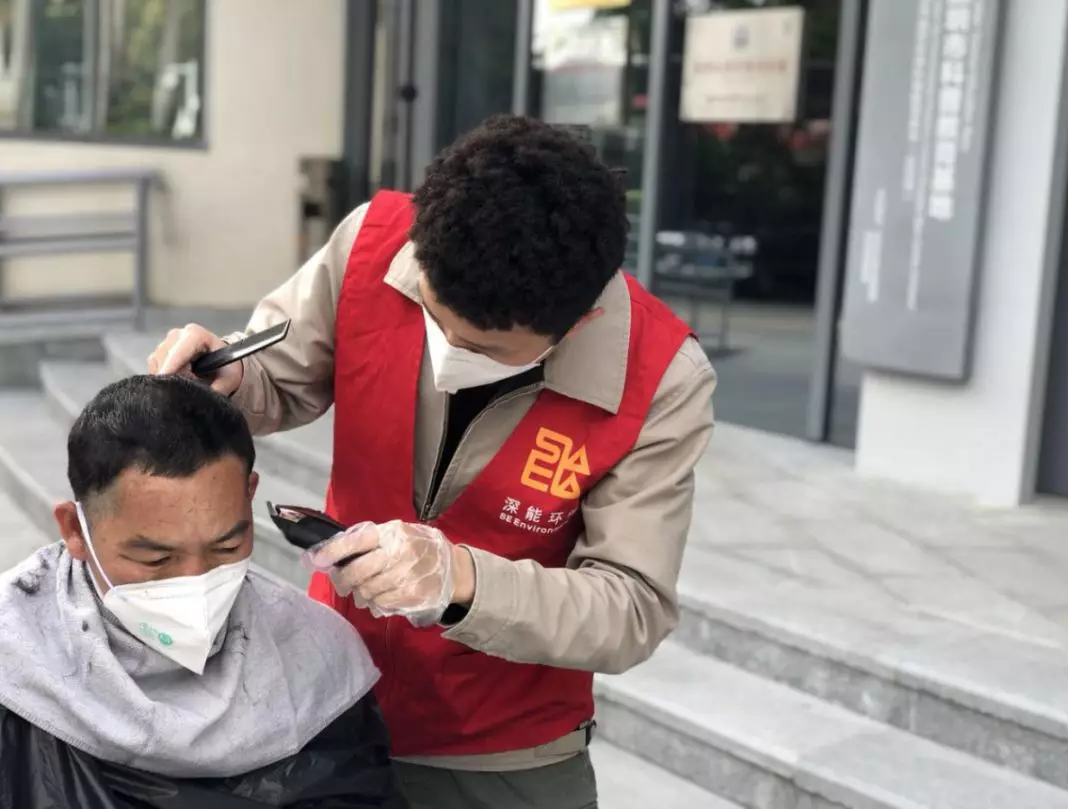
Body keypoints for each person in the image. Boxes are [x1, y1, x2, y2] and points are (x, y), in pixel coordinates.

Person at [149, 114, 717, 809]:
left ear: (581, 321)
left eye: (479, 346)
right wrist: (234, 378)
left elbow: (630, 607)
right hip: (331, 696)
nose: (444, 352)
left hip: (504, 751)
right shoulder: (375, 243)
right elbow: (281, 373)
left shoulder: (661, 377)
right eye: (430, 314)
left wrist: (459, 579)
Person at [0, 375, 407, 808]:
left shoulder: (316, 660)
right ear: (74, 530)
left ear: (249, 495)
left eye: (226, 547)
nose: (196, 580)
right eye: (156, 559)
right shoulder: (15, 659)